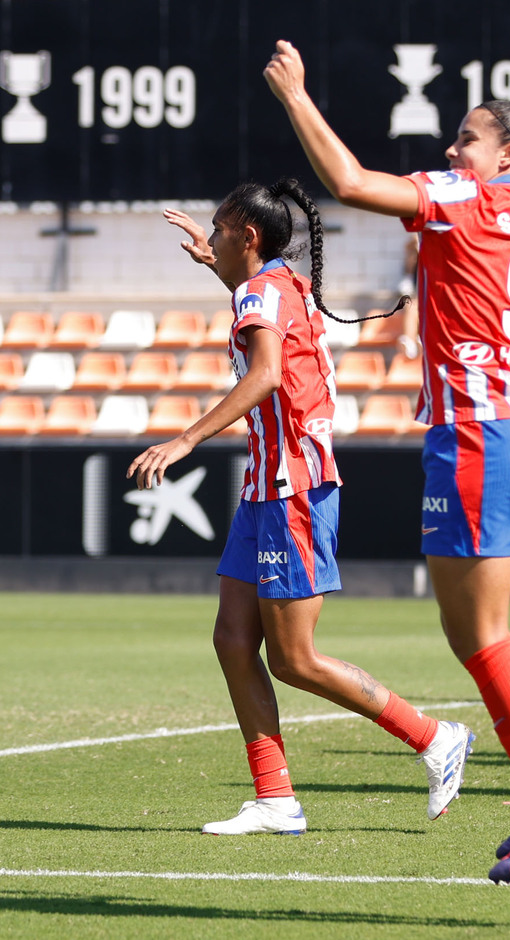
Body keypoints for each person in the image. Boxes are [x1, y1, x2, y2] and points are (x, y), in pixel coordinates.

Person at [264, 39, 510, 880]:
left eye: (465, 140)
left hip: (480, 433)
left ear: (507, 154)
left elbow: (348, 185)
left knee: (479, 634)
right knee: (471, 631)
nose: (452, 153)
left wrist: (298, 96)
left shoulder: (464, 197)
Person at [128, 179, 473, 835]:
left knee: (293, 659)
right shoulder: (279, 285)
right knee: (233, 639)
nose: (214, 239)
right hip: (265, 489)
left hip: (292, 491)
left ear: (248, 238)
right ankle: (275, 799)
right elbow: (259, 317)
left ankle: (433, 737)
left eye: (221, 232)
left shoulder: (263, 291)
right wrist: (216, 268)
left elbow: (266, 375)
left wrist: (185, 438)